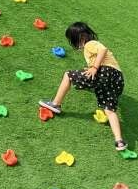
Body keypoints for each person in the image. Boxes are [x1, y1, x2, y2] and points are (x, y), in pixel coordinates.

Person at [40, 22, 128, 151]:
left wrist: (94, 67)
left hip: (105, 72)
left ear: (80, 37)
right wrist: (92, 68)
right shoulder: (90, 48)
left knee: (68, 75)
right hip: (117, 79)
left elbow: (103, 50)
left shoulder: (90, 44)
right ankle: (119, 141)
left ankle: (55, 104)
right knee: (109, 110)